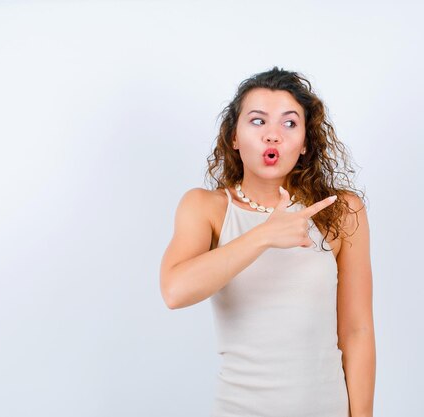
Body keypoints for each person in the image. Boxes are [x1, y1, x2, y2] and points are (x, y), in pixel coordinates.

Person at [159, 67, 375, 417]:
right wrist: (264, 235)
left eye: (289, 124)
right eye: (258, 121)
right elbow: (175, 291)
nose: (273, 135)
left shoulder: (339, 210)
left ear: (305, 142)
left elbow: (357, 329)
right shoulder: (206, 207)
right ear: (233, 137)